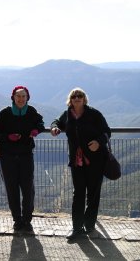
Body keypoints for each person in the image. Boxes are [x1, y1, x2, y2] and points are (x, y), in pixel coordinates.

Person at [50, 87, 111, 240]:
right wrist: (54, 128)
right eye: (74, 96)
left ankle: (89, 226)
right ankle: (76, 228)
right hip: (76, 161)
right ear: (70, 100)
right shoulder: (67, 114)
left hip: (95, 159)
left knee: (93, 194)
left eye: (80, 96)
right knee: (78, 193)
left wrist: (98, 142)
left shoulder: (94, 114)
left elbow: (107, 131)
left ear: (84, 99)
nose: (77, 98)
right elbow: (56, 122)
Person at [0, 85, 45, 232]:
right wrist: (7, 137)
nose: (21, 99)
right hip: (7, 156)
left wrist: (36, 130)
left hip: (26, 155)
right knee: (11, 188)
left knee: (28, 189)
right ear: (13, 97)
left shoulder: (32, 112)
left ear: (27, 98)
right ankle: (17, 220)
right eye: (18, 96)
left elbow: (41, 124)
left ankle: (27, 220)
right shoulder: (4, 113)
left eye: (23, 96)